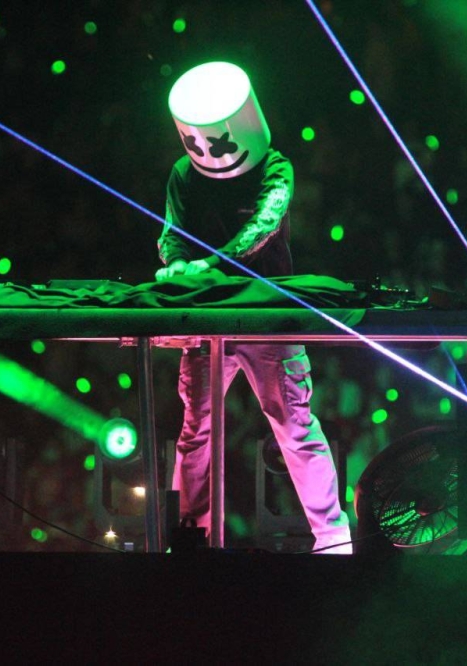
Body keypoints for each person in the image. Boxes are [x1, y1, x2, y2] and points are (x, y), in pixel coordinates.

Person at [155, 62, 351, 554]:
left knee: (297, 429)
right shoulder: (183, 174)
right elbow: (170, 236)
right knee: (195, 431)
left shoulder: (276, 167)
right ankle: (192, 536)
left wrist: (204, 268)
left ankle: (332, 538)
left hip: (267, 317)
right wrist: (177, 266)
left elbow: (262, 226)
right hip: (208, 319)